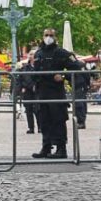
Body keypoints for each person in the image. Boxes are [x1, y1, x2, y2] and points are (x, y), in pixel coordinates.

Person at [31, 28, 82, 159]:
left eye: (51, 35)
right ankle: (46, 147)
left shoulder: (61, 53)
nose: (48, 37)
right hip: (42, 91)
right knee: (43, 120)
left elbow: (76, 66)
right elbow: (34, 72)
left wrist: (64, 76)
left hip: (56, 91)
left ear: (55, 37)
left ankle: (61, 148)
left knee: (58, 120)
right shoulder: (38, 53)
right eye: (46, 35)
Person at [17, 52, 39, 134]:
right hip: (28, 90)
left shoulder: (39, 67)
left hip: (38, 91)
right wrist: (24, 87)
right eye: (30, 54)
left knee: (38, 110)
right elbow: (23, 79)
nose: (31, 56)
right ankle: (31, 127)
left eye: (33, 54)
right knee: (29, 110)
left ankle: (40, 127)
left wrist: (36, 86)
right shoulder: (25, 67)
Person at [70, 55, 92, 129]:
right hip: (76, 86)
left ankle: (81, 121)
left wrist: (87, 84)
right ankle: (80, 121)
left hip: (80, 85)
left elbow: (86, 75)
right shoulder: (71, 65)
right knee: (79, 103)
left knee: (79, 104)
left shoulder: (80, 64)